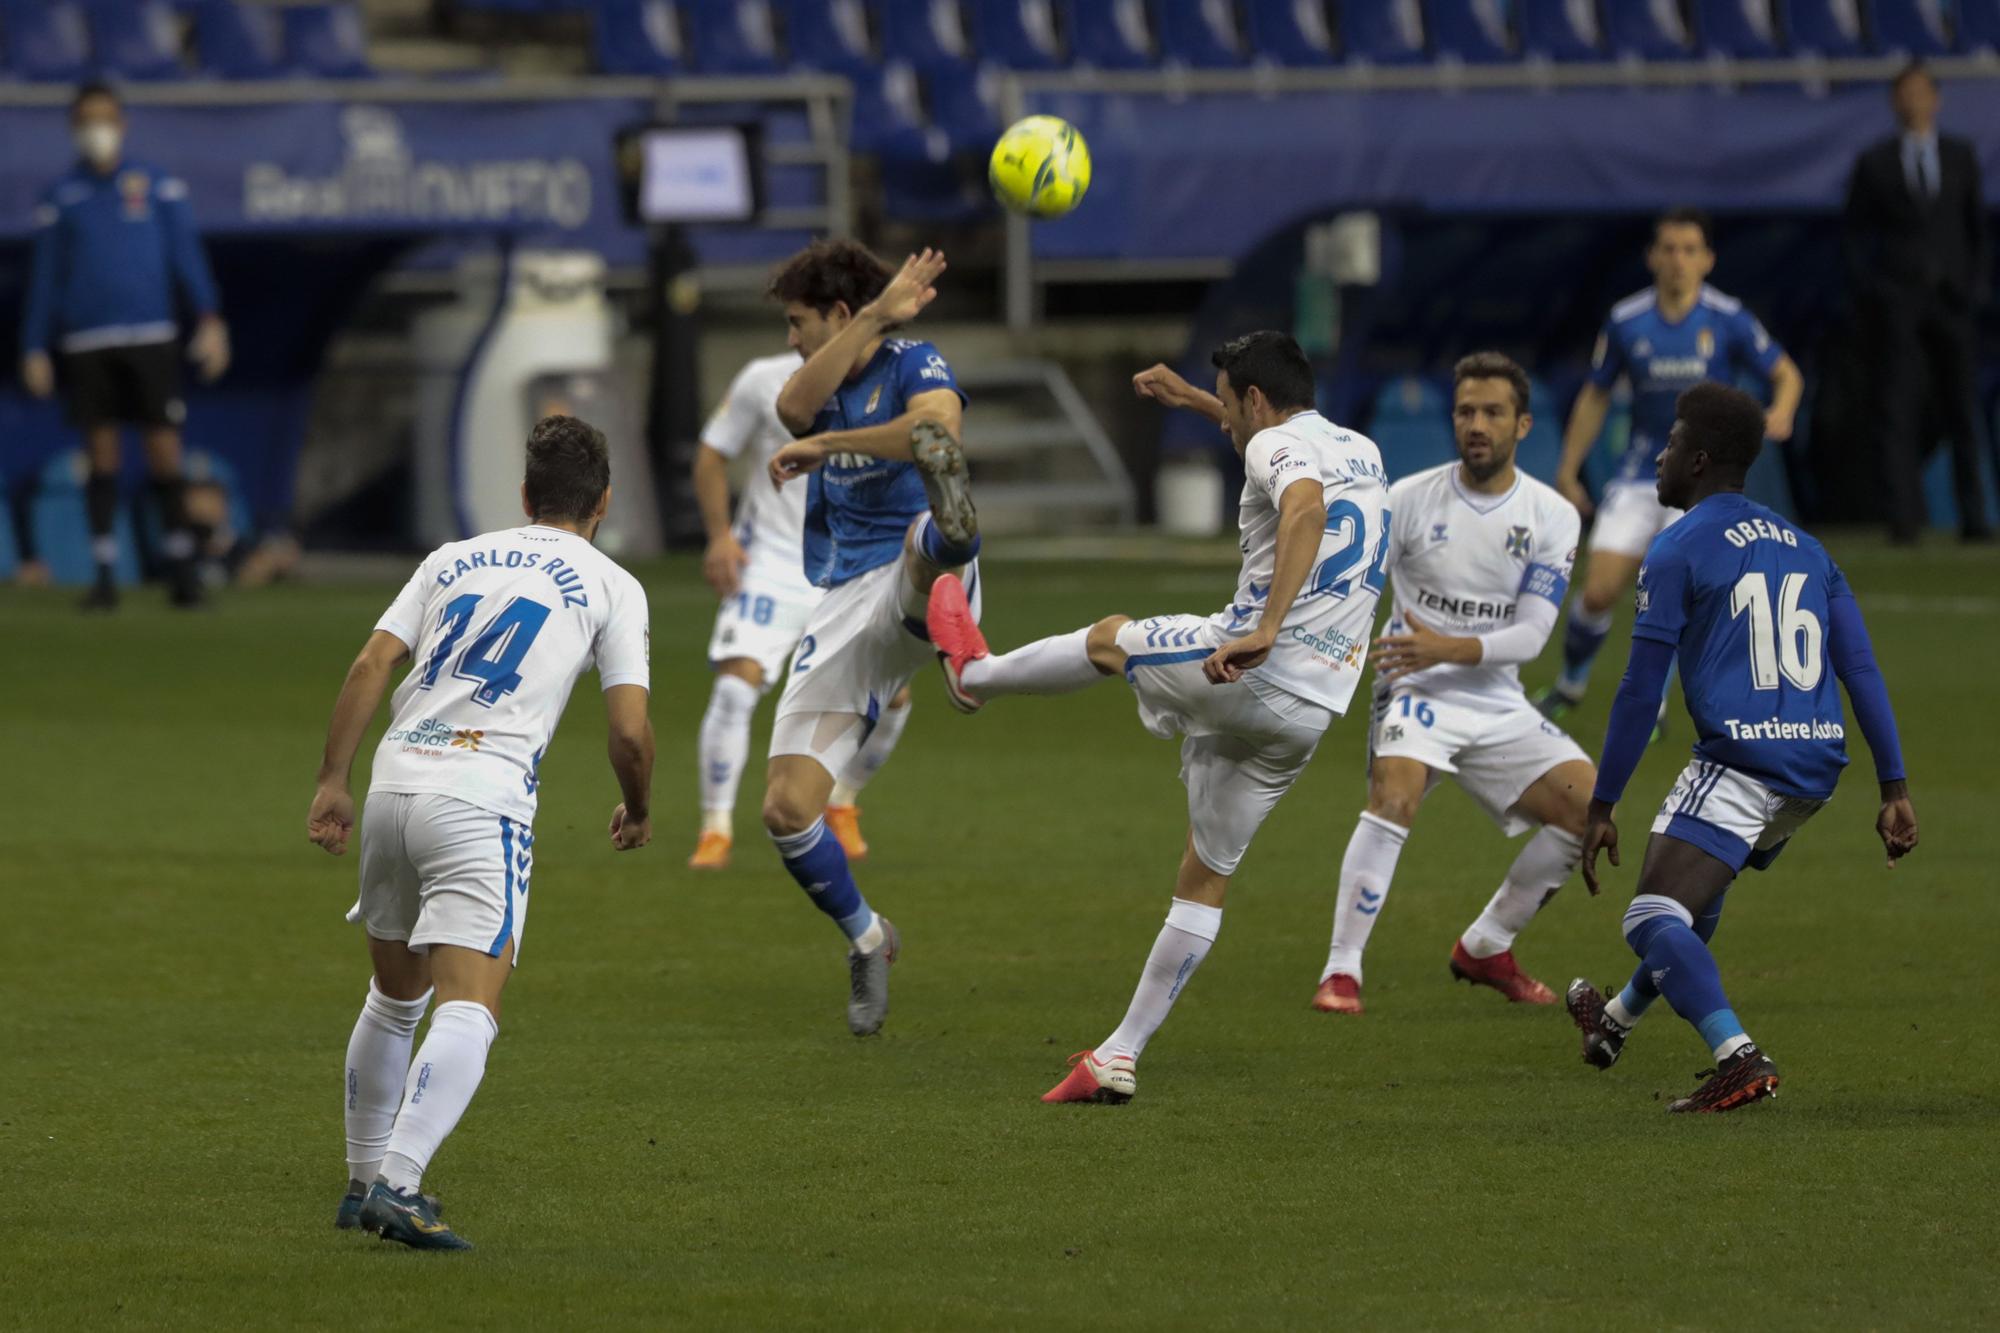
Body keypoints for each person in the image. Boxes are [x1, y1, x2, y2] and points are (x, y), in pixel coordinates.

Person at [927, 332, 1390, 1105]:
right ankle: (1118, 1055)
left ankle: (975, 676)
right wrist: (1196, 398)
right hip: (1313, 708)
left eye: (1227, 405)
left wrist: (1268, 625)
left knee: (1110, 638)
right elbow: (1297, 466)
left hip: (1247, 661)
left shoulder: (1272, 445)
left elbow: (1303, 505)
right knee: (1203, 874)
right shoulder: (1363, 450)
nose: (1227, 426)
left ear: (1254, 402)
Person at [305, 416, 654, 1248]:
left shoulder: (450, 558)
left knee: (393, 1000)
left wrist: (332, 781)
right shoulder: (612, 583)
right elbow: (630, 730)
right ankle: (400, 1182)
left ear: (526, 496)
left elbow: (370, 664)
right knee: (472, 1004)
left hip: (395, 779)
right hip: (480, 796)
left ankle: (361, 1182)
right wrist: (637, 805)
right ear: (603, 501)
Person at [1564, 384, 1916, 1113]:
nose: (1656, 456)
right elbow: (1860, 669)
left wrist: (1603, 802)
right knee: (1699, 894)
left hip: (1742, 761)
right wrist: (1893, 787)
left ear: (1696, 461)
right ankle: (1616, 1021)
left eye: (1666, 445)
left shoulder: (1677, 548)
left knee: (1649, 917)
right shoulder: (1808, 548)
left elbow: (1638, 691)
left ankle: (1737, 1055)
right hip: (1815, 768)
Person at [1313, 353, 1592, 1016]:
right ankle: (1341, 971)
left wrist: (1442, 644)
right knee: (1395, 797)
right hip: (1416, 688)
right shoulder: (1407, 499)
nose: (1477, 424)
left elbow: (1530, 637)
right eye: (1466, 410)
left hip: (1496, 696)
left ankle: (1487, 944)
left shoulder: (1553, 516)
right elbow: (1352, 584)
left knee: (1588, 810)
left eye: (1493, 412)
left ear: (1522, 424)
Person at [756, 241, 981, 1037]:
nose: (790, 337)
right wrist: (873, 316)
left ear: (836, 316)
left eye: (798, 323)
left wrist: (830, 446)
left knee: (934, 513)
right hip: (845, 596)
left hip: (911, 561)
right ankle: (869, 938)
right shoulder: (823, 380)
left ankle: (954, 581)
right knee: (786, 808)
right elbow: (792, 409)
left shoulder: (917, 359)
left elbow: (934, 435)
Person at [1538, 209, 1803, 720]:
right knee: (1597, 592)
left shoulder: (1728, 318)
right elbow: (1595, 397)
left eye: (1689, 250)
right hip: (1642, 472)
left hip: (1704, 482)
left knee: (1670, 588)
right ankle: (1571, 685)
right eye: (1669, 249)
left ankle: (1652, 704)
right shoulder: (1626, 321)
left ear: (1707, 260)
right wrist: (1568, 469)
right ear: (1652, 258)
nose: (1678, 260)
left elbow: (1787, 373)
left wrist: (1783, 411)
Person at [687, 349, 914, 870]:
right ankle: (715, 828)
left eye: (800, 317)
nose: (793, 331)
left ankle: (842, 798)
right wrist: (720, 537)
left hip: (853, 563)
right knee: (733, 685)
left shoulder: (890, 379)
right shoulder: (763, 377)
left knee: (893, 696)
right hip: (770, 561)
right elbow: (711, 454)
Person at [18, 81, 230, 611]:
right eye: (89, 120)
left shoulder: (155, 186)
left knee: (164, 453)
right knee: (102, 456)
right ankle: (106, 572)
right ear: (74, 127)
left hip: (151, 335)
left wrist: (209, 317)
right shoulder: (63, 196)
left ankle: (182, 569)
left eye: (106, 118)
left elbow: (185, 257)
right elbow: (45, 277)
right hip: (88, 341)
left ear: (123, 123)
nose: (98, 130)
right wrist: (33, 345)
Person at [1841, 61, 1992, 544]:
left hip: (1952, 303)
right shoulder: (1875, 162)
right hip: (1898, 304)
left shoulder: (1961, 156)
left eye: (1922, 92)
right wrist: (1876, 290)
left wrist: (1972, 286)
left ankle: (1975, 518)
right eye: (1905, 93)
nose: (1914, 101)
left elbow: (1975, 230)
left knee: (1963, 412)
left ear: (1936, 99)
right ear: (1894, 102)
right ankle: (1904, 521)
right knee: (1896, 412)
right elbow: (1853, 237)